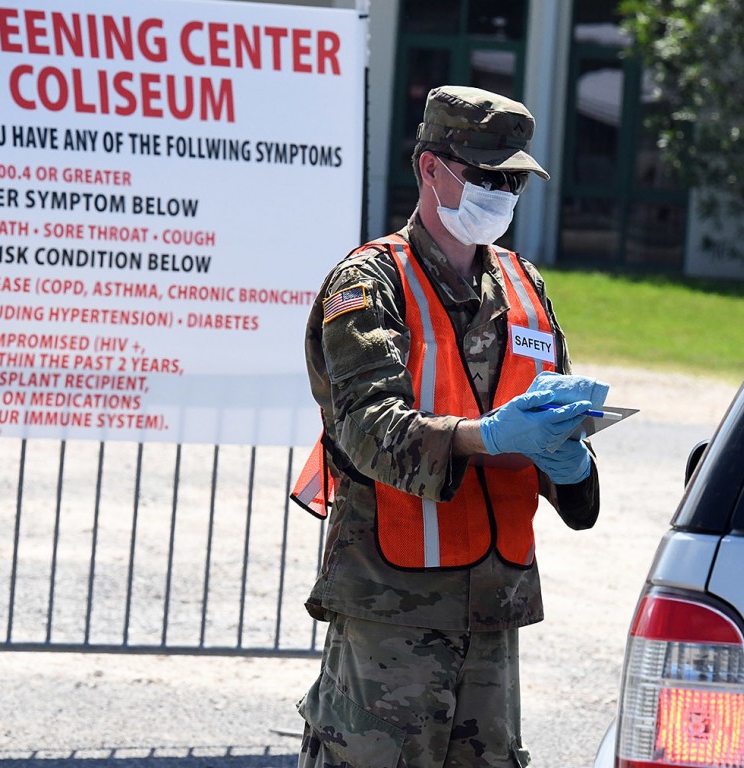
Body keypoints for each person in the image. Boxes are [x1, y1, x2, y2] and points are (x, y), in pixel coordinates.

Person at [292, 85, 607, 768]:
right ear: (431, 168)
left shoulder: (524, 287)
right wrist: (482, 438)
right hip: (392, 605)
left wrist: (570, 462)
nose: (503, 192)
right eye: (486, 175)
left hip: (495, 606)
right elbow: (367, 427)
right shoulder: (371, 281)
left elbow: (550, 416)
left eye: (513, 179)